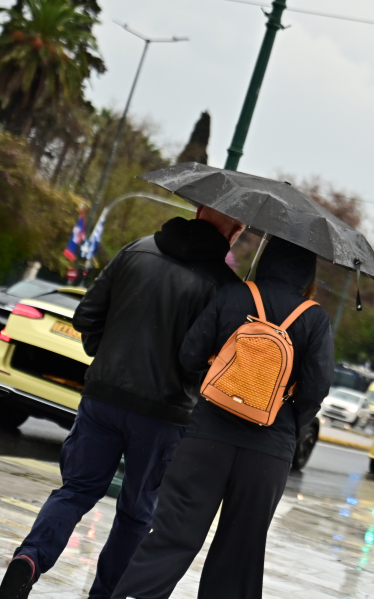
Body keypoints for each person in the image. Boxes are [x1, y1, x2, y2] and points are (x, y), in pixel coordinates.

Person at [0, 209, 245, 599]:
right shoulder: (225, 286)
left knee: (75, 490)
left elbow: (87, 316)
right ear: (235, 230)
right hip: (164, 415)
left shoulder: (138, 249)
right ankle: (104, 594)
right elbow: (209, 360)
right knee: (136, 512)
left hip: (104, 395)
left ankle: (29, 560)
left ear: (198, 211)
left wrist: (107, 355)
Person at [112, 237, 334, 599]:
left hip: (206, 437)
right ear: (307, 272)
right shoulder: (315, 318)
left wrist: (222, 373)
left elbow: (189, 355)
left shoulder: (234, 294)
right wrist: (286, 418)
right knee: (239, 554)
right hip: (267, 453)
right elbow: (316, 390)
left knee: (170, 539)